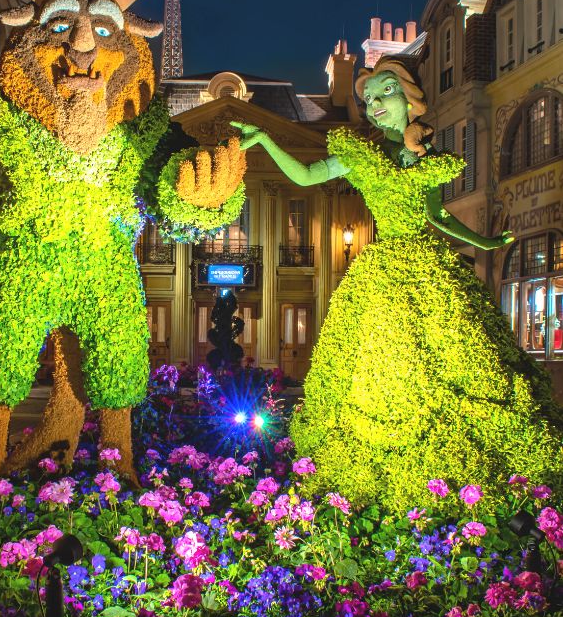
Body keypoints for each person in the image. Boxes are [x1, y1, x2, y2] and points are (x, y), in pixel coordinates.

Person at [231, 56, 562, 511]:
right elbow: (306, 176)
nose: (373, 104)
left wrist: (483, 241)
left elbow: (436, 215)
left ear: (409, 98)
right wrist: (266, 139)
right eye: (367, 99)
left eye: (383, 93)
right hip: (382, 268)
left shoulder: (426, 158)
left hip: (424, 266)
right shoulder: (360, 155)